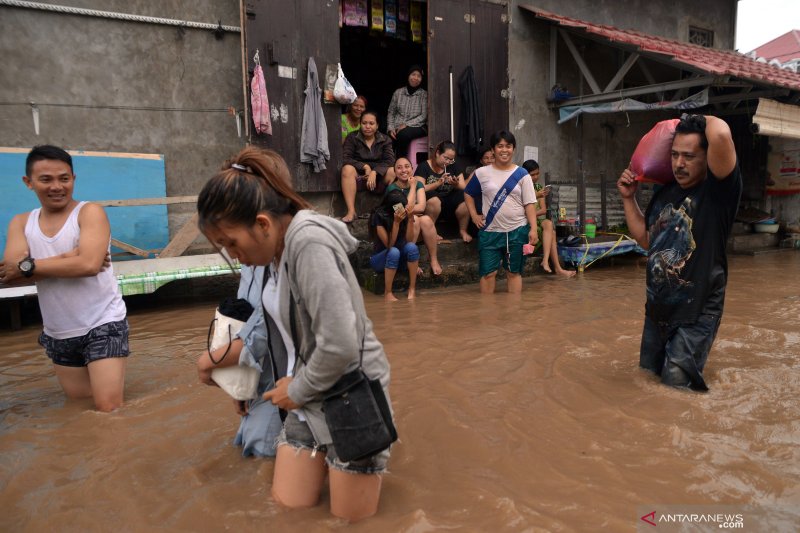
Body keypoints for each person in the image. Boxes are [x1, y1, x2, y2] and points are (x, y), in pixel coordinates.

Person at [196, 146, 393, 521]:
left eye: (231, 243)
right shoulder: (274, 252)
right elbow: (278, 332)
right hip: (308, 392)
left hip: (352, 395)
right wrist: (250, 384)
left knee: (351, 523)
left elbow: (341, 344)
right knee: (286, 512)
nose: (232, 254)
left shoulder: (308, 244)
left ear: (263, 224)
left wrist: (297, 390)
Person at [616, 114, 741, 391]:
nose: (679, 164)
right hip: (658, 311)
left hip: (698, 311)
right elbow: (649, 241)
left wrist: (691, 117)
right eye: (674, 155)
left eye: (689, 156)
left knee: (676, 386)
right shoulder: (665, 193)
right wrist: (628, 198)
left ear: (707, 158)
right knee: (647, 378)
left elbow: (720, 135)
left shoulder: (719, 194)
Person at [0, 145, 128, 412]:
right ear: (29, 182)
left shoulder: (89, 212)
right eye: (46, 179)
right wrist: (66, 257)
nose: (56, 186)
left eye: (64, 178)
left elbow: (90, 265)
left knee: (108, 409)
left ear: (73, 179)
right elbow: (10, 274)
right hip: (59, 330)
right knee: (80, 410)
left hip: (103, 322)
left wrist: (30, 266)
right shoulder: (21, 223)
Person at [195, 264, 283, 457]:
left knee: (262, 463)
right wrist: (240, 387)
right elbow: (244, 322)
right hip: (257, 383)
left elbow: (260, 333)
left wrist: (207, 362)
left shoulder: (279, 265)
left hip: (279, 389)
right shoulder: (249, 264)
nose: (230, 252)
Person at [463, 131, 539, 294]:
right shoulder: (481, 173)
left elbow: (529, 204)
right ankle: (487, 315)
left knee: (514, 273)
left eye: (508, 146)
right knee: (488, 274)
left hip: (517, 231)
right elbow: (468, 193)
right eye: (500, 146)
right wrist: (474, 215)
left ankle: (513, 314)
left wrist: (533, 229)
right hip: (490, 231)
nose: (504, 150)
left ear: (513, 149)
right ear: (493, 149)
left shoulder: (522, 175)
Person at [387, 157, 442, 275]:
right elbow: (401, 212)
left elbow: (421, 207)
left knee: (426, 219)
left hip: (414, 228)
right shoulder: (392, 189)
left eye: (407, 166)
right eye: (399, 167)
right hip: (399, 230)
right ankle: (411, 260)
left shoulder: (419, 184)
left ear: (412, 169)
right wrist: (412, 187)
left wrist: (410, 209)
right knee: (415, 219)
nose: (403, 170)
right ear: (395, 171)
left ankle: (433, 259)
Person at [521, 160, 575, 278]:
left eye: (537, 174)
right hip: (523, 223)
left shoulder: (539, 187)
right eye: (532, 174)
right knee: (553, 233)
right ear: (525, 174)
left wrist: (533, 213)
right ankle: (558, 268)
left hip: (536, 221)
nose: (535, 177)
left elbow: (543, 210)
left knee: (548, 224)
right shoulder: (520, 187)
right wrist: (536, 200)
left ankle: (546, 260)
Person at [341, 111, 396, 223]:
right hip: (358, 172)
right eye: (364, 123)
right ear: (360, 124)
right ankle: (351, 211)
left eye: (371, 123)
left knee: (393, 171)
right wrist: (365, 166)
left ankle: (389, 210)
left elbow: (390, 160)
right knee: (347, 169)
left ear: (377, 126)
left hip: (379, 174)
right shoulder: (352, 137)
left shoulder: (385, 139)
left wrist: (374, 172)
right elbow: (346, 158)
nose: (367, 126)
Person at [415, 141, 472, 243]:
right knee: (434, 200)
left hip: (448, 202)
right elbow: (418, 188)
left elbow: (463, 186)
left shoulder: (454, 166)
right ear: (437, 153)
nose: (448, 162)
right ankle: (431, 232)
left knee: (465, 196)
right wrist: (437, 183)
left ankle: (463, 230)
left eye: (451, 159)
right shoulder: (424, 166)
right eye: (445, 158)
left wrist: (455, 184)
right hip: (431, 205)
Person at [369, 188, 420, 302]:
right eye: (400, 206)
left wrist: (410, 218)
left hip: (399, 257)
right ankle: (388, 293)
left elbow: (409, 239)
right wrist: (396, 223)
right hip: (380, 258)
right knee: (394, 251)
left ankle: (412, 289)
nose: (403, 209)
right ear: (392, 207)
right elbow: (389, 244)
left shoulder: (404, 212)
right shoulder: (379, 216)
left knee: (412, 247)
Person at [387, 64, 427, 160]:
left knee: (403, 135)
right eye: (413, 74)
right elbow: (391, 112)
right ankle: (389, 166)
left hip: (418, 126)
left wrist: (406, 124)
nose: (415, 78)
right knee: (387, 140)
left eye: (419, 76)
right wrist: (390, 128)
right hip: (397, 126)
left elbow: (424, 116)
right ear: (408, 76)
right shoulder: (398, 93)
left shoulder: (424, 94)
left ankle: (402, 162)